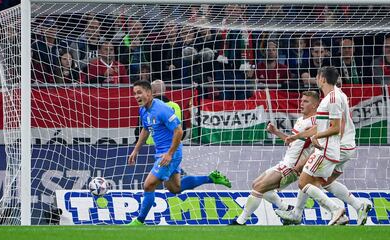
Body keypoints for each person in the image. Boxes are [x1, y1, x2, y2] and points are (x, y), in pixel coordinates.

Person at [127, 80, 232, 226]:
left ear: (149, 93)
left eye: (139, 92)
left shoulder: (162, 109)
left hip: (171, 153)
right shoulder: (143, 109)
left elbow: (179, 131)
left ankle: (139, 221)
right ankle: (211, 178)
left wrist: (170, 154)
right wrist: (136, 149)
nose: (136, 96)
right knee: (175, 188)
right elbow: (145, 129)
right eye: (134, 94)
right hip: (161, 153)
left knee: (148, 185)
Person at [276, 67, 372, 226]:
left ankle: (335, 211)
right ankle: (358, 205)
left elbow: (336, 128)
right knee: (322, 182)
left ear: (322, 79)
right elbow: (324, 125)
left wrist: (316, 137)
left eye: (317, 76)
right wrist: (298, 136)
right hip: (345, 147)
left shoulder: (332, 99)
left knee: (305, 181)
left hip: (334, 147)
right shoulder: (338, 94)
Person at [231, 91, 319, 225]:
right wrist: (275, 132)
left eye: (306, 101)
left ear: (314, 105)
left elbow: (315, 148)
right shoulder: (301, 120)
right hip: (285, 163)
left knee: (259, 187)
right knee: (256, 184)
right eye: (301, 100)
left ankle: (241, 221)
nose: (301, 104)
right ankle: (286, 208)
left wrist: (301, 166)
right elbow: (292, 142)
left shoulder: (315, 122)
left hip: (292, 167)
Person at [146, 80, 183, 145]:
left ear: (153, 92)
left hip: (151, 146)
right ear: (164, 90)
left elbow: (141, 129)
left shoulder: (147, 107)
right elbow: (183, 129)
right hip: (172, 146)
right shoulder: (176, 106)